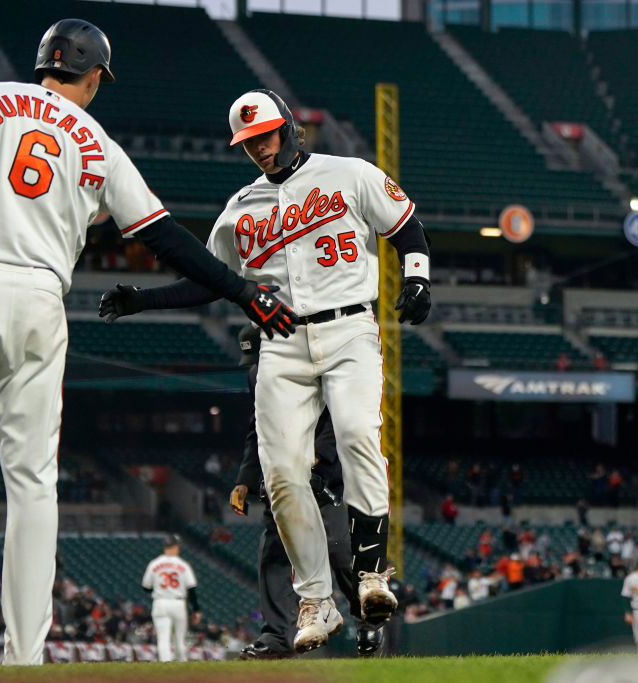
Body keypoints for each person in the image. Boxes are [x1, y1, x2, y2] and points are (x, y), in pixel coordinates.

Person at [0, 19, 292, 667]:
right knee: (35, 481)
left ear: (45, 65)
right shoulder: (99, 142)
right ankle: (25, 657)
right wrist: (243, 290)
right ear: (94, 77)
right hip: (42, 301)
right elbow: (167, 238)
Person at [99, 88, 431, 653]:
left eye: (267, 136)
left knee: (355, 435)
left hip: (350, 328)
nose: (260, 148)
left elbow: (403, 224)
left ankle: (373, 574)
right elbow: (209, 279)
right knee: (281, 474)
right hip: (279, 341)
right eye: (249, 142)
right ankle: (317, 601)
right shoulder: (240, 207)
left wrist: (417, 275)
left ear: (290, 129)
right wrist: (143, 300)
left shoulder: (348, 174)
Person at [229, 326, 381, 659]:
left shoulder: (315, 365)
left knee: (341, 552)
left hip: (325, 476)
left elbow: (340, 418)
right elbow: (259, 428)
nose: (255, 365)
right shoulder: (259, 376)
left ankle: (367, 619)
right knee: (275, 554)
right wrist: (245, 478)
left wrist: (316, 457)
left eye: (258, 357)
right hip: (282, 475)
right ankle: (277, 637)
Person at [140, 534, 198, 662]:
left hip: (160, 602)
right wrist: (196, 610)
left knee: (163, 638)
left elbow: (146, 587)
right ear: (176, 547)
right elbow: (191, 589)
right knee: (179, 638)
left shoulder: (154, 564)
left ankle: (166, 664)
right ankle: (181, 663)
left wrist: (160, 590)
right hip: (178, 603)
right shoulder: (183, 564)